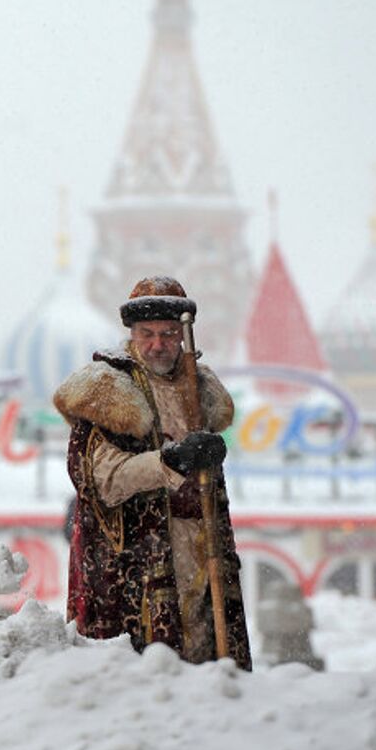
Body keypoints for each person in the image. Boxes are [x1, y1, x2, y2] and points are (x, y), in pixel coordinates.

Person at [53, 276, 251, 670]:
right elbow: (101, 481)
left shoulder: (200, 388)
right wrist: (171, 460)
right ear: (132, 333)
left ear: (182, 335)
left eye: (167, 334)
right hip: (138, 559)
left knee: (204, 648)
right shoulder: (110, 388)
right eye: (147, 334)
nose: (157, 344)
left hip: (199, 546)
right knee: (150, 665)